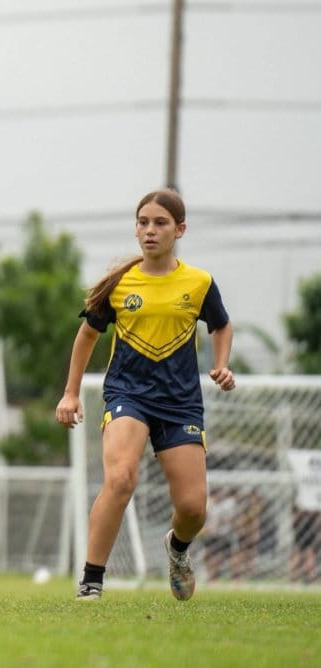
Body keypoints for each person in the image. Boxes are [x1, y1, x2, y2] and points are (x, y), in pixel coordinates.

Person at [55, 189, 234, 601]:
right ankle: (91, 582)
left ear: (180, 230)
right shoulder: (120, 283)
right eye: (143, 222)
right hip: (128, 394)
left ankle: (177, 548)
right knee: (121, 478)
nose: (150, 230)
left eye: (160, 223)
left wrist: (223, 364)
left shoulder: (199, 283)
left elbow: (221, 325)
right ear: (136, 229)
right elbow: (87, 335)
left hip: (180, 403)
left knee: (193, 508)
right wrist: (70, 393)